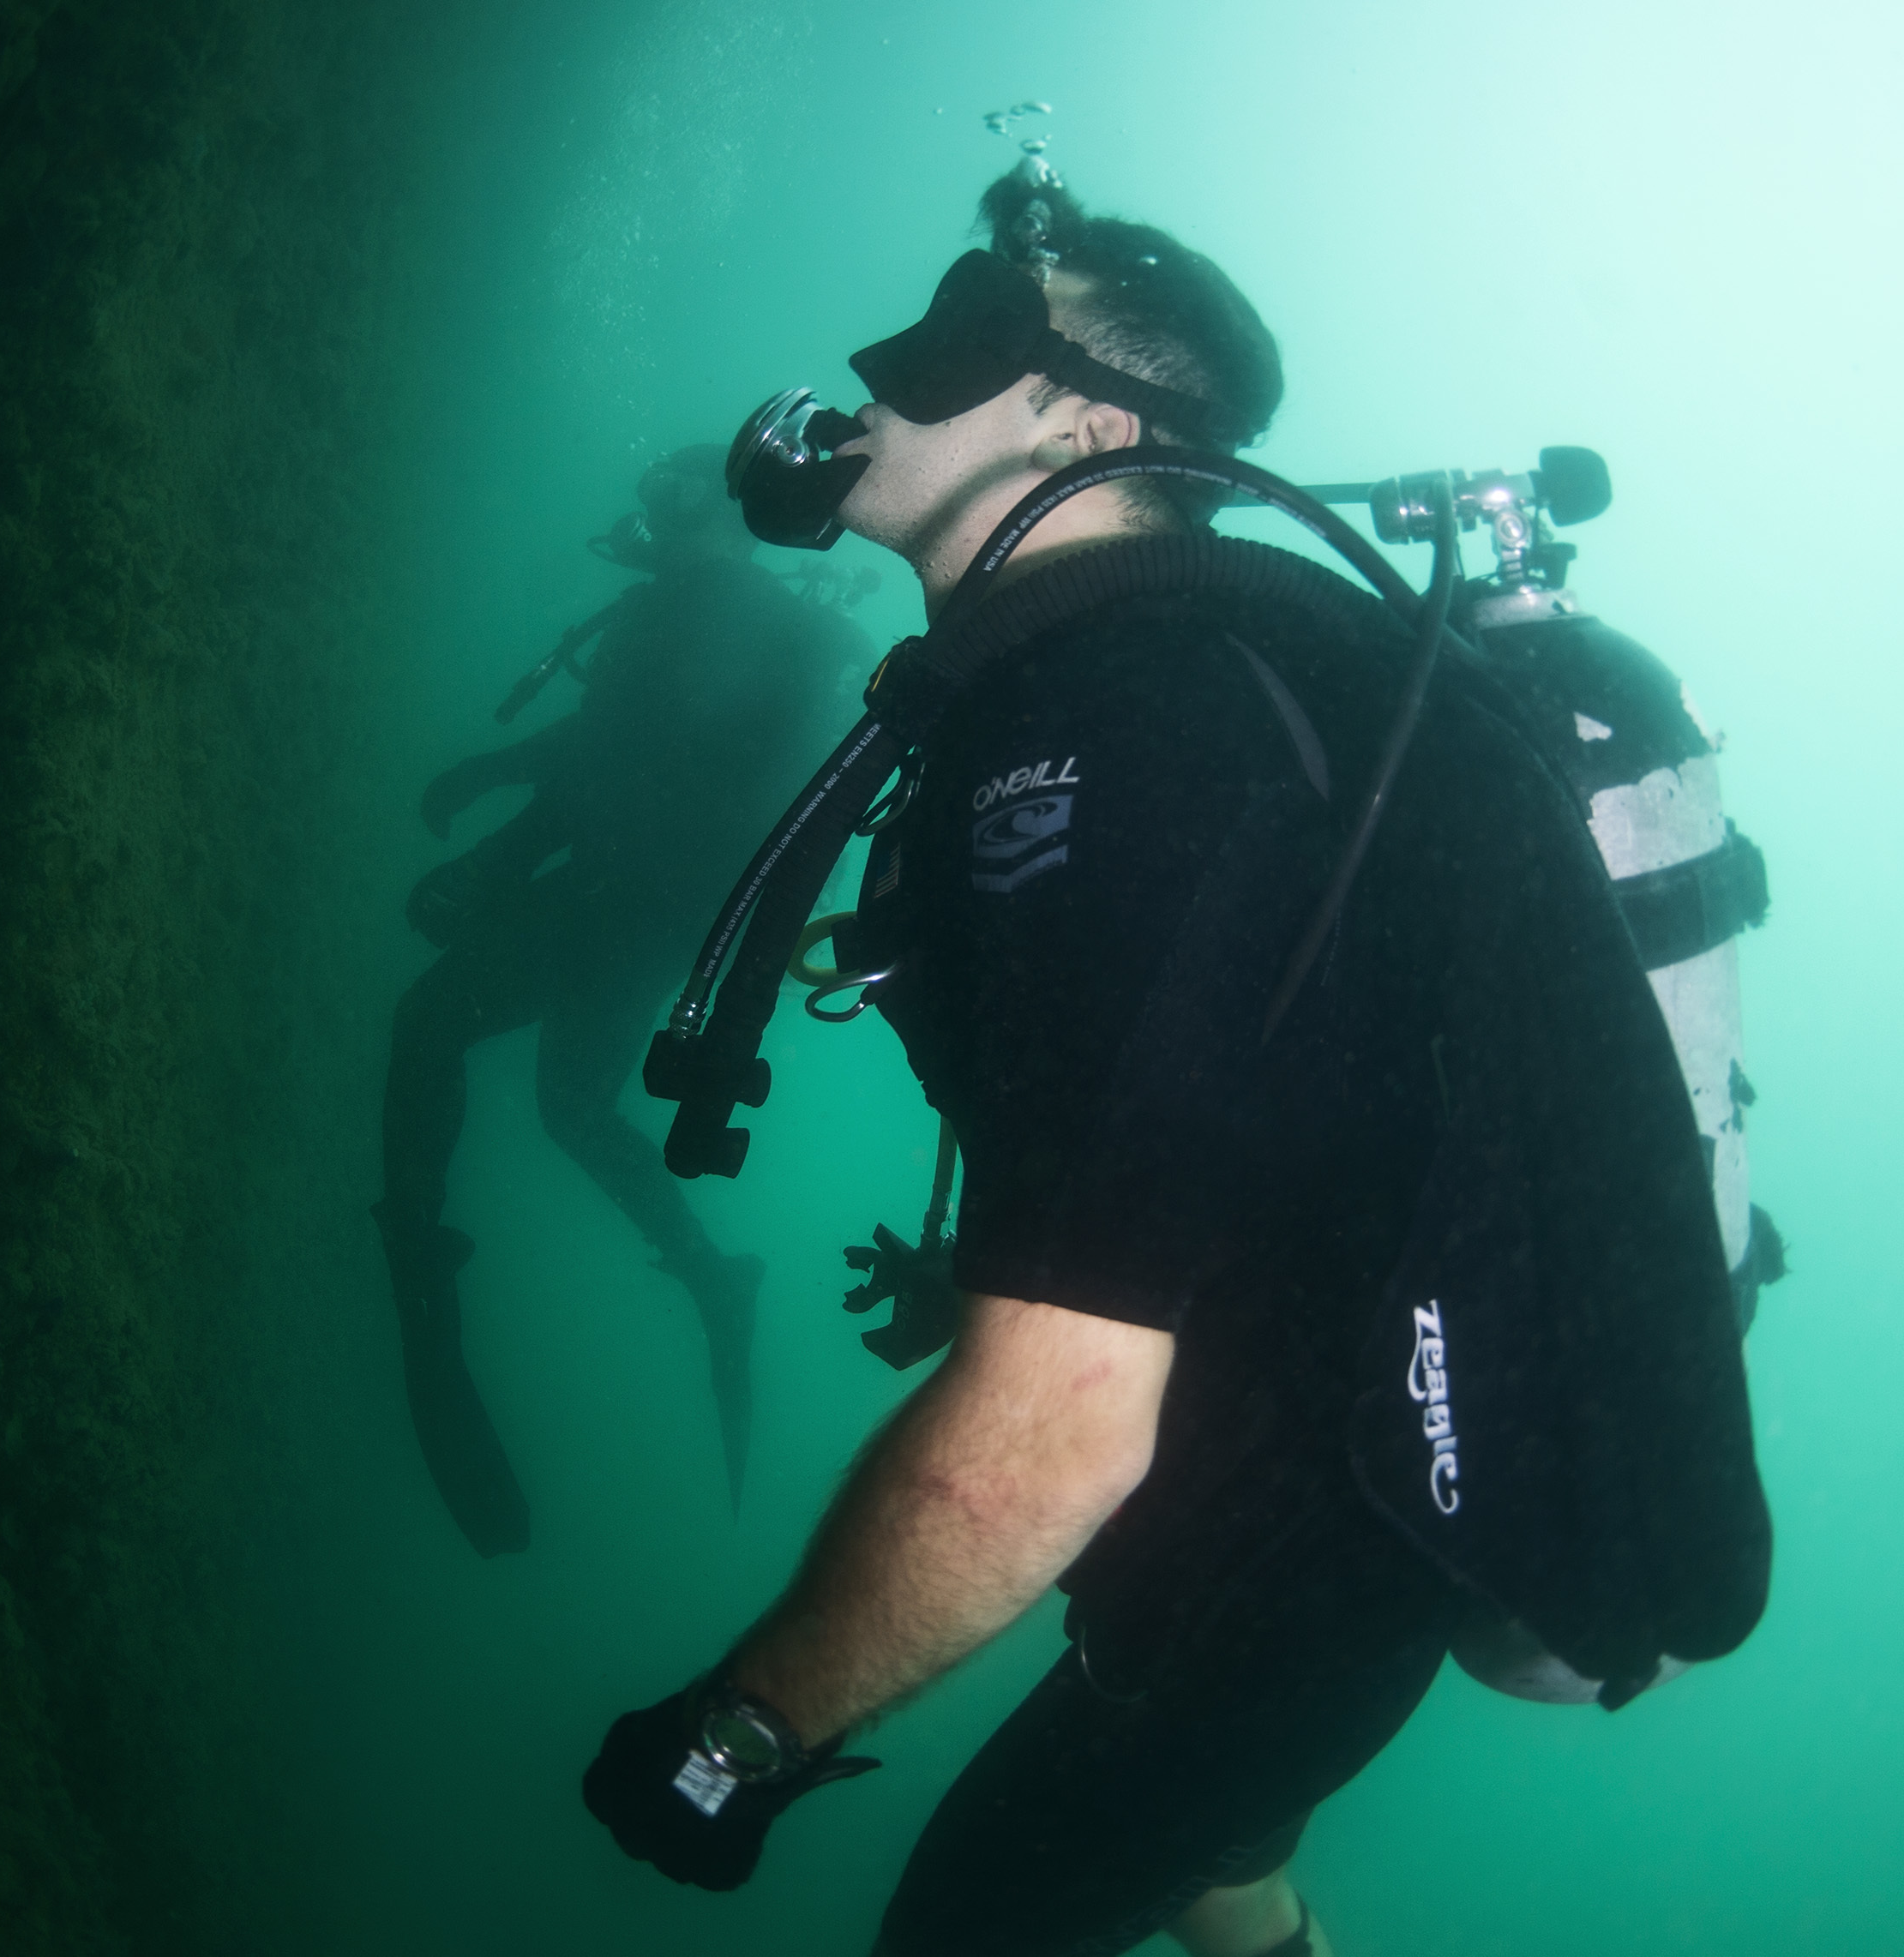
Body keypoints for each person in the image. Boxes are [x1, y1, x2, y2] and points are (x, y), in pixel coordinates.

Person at [583, 168, 1769, 1955]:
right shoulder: (1163, 674)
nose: (878, 376)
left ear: (1081, 417)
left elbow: (1055, 1431)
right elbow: (1266, 1105)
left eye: (959, 338)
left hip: (1292, 1565)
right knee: (1225, 1871)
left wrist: (737, 1734)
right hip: (1313, 1502)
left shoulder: (1122, 727)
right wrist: (1056, 1252)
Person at [376, 447, 868, 1558]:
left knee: (429, 1022)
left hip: (633, 896)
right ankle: (709, 1271)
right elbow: (622, 763)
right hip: (663, 906)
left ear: (698, 519)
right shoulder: (721, 608)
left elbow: (614, 753)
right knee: (568, 1105)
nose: (646, 522)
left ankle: (418, 1260)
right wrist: (505, 832)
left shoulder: (706, 605)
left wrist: (495, 804)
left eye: (663, 506)